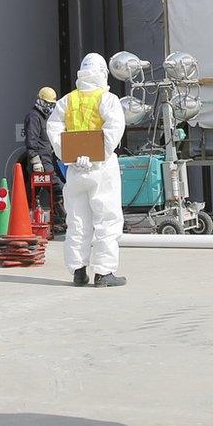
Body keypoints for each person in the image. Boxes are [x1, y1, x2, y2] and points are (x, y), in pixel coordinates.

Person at [46, 53, 127, 287]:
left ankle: (78, 271)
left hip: (75, 170)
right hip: (101, 168)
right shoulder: (108, 99)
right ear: (103, 72)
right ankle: (103, 273)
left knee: (78, 220)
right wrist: (95, 154)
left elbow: (54, 129)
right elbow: (114, 129)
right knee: (107, 219)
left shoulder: (66, 101)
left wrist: (68, 155)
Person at [22, 86, 64, 220]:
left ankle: (40, 216)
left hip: (48, 160)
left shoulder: (45, 117)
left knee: (36, 191)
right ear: (40, 101)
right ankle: (28, 216)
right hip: (41, 162)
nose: (50, 107)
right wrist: (35, 161)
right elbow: (31, 140)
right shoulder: (33, 117)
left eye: (52, 104)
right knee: (58, 188)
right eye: (48, 103)